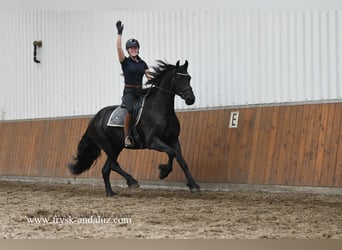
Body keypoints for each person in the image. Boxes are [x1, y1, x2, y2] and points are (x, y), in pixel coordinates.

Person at [116, 20, 151, 147]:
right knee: (130, 109)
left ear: (138, 49)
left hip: (140, 90)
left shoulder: (142, 63)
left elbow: (149, 76)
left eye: (135, 48)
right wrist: (119, 34)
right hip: (129, 92)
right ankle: (127, 136)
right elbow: (119, 48)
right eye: (131, 48)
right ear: (128, 50)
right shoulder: (125, 62)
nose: (133, 50)